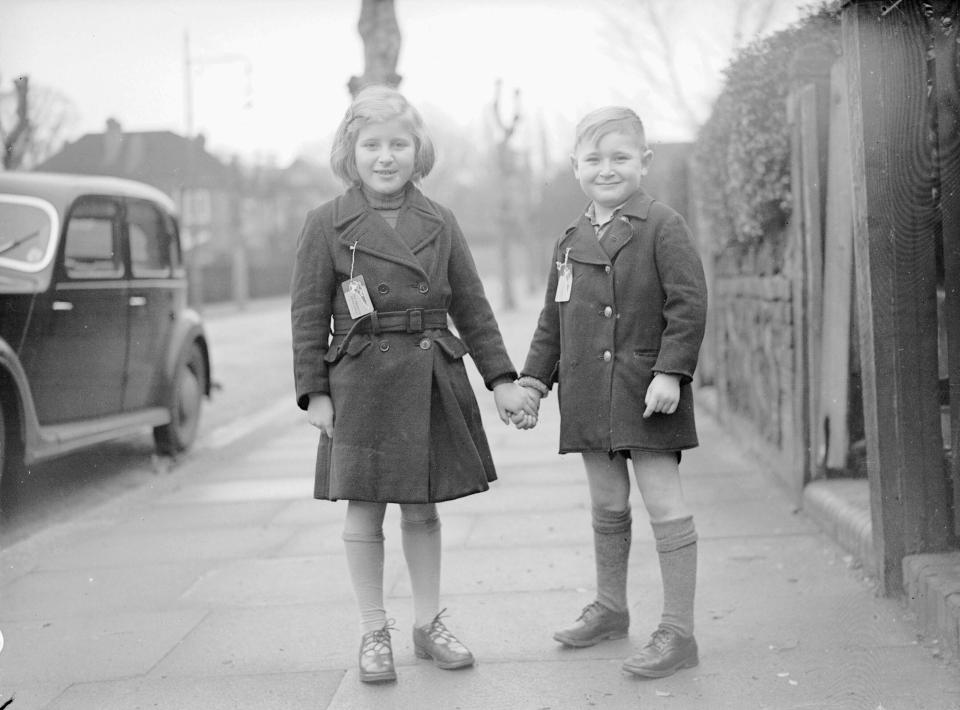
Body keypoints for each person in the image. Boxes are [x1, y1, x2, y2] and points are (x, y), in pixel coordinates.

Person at [290, 85, 537, 684]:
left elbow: (473, 308)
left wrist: (501, 379)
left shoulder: (440, 220)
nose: (385, 156)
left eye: (398, 143)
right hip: (360, 382)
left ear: (417, 150)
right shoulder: (326, 223)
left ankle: (428, 623)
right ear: (350, 152)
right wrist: (314, 391)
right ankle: (373, 630)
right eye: (371, 144)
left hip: (428, 375)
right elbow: (306, 314)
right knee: (363, 511)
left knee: (422, 510)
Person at [515, 106, 707, 679]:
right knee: (606, 502)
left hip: (647, 390)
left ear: (644, 162)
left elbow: (688, 306)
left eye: (620, 157)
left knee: (663, 502)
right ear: (575, 166)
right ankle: (611, 608)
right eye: (593, 158)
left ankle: (678, 631)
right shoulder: (569, 239)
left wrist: (671, 372)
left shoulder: (664, 225)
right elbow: (553, 320)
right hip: (587, 390)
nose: (607, 169)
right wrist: (531, 380)